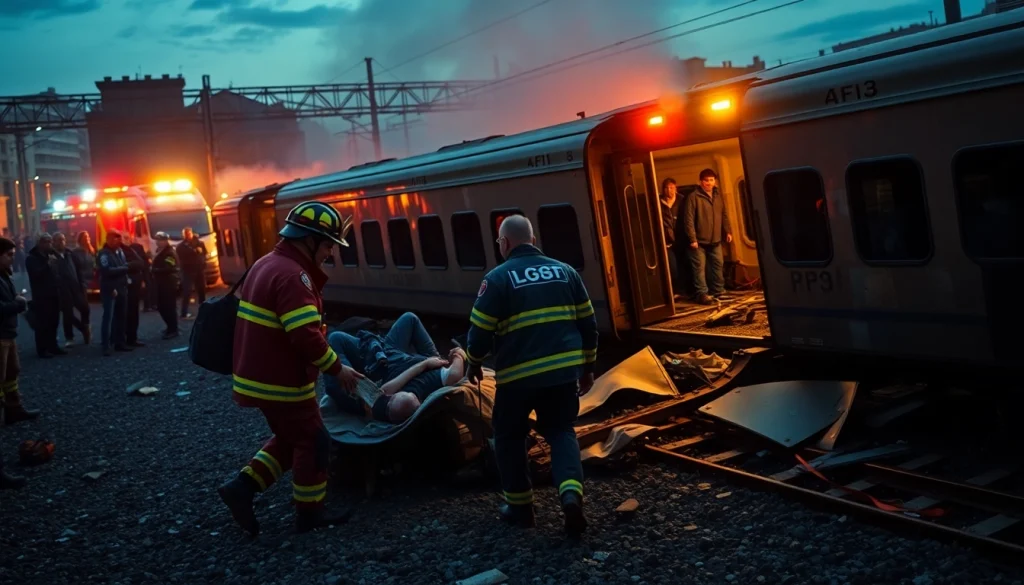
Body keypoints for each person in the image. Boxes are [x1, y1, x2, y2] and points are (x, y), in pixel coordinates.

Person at [218, 201, 362, 536]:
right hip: (281, 381)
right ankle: (310, 516)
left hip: (260, 377)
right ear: (308, 240)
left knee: (290, 438)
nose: (330, 253)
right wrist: (338, 369)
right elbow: (304, 335)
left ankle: (241, 488)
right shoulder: (293, 276)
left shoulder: (267, 263)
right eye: (327, 245)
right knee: (314, 440)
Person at [464, 215, 598, 538]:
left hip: (517, 379)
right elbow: (589, 325)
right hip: (562, 374)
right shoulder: (565, 272)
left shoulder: (496, 279)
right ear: (533, 240)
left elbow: (479, 332)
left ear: (504, 244)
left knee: (509, 437)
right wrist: (588, 368)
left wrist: (473, 363)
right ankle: (570, 496)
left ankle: (522, 510)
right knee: (561, 431)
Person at [323, 312, 467, 423]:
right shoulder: (425, 387)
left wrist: (423, 365)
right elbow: (455, 374)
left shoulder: (388, 396)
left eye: (390, 401)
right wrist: (459, 354)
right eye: (392, 399)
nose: (389, 399)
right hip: (392, 351)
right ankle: (436, 358)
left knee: (335, 338)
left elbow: (382, 391)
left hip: (379, 362)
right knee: (410, 318)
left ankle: (348, 382)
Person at [0, 236, 38, 434]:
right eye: (9, 255)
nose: (13, 259)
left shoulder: (4, 273)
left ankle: (14, 410)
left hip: (8, 332)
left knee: (12, 371)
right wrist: (18, 304)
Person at [683, 168, 733, 305]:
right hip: (699, 241)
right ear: (700, 182)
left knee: (718, 265)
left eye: (711, 180)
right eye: (706, 180)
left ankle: (719, 291)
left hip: (715, 240)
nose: (709, 183)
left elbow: (723, 214)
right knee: (699, 268)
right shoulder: (693, 197)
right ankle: (702, 294)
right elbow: (688, 219)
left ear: (714, 181)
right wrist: (692, 239)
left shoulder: (718, 195)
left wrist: (727, 231)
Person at [25, 233, 65, 358]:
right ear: (40, 243)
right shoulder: (32, 258)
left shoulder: (51, 255)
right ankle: (42, 349)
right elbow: (36, 274)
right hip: (41, 295)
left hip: (54, 292)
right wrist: (47, 265)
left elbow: (59, 266)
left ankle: (53, 346)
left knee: (54, 321)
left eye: (50, 241)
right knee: (43, 323)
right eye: (47, 242)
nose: (49, 244)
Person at [97, 230, 131, 357]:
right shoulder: (103, 254)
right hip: (110, 289)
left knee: (121, 316)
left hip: (122, 287)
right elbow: (106, 271)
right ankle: (105, 345)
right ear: (109, 240)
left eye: (119, 239)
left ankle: (120, 343)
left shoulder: (120, 252)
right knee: (108, 318)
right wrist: (123, 269)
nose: (118, 241)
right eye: (115, 239)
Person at [52, 232, 90, 347]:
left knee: (85, 309)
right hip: (62, 290)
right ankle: (70, 337)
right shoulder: (52, 256)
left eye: (63, 240)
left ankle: (85, 327)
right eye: (58, 240)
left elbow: (79, 270)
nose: (61, 242)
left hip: (75, 287)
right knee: (68, 314)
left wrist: (82, 283)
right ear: (54, 242)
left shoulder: (70, 253)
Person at [150, 232, 180, 339]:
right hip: (161, 283)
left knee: (169, 307)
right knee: (161, 306)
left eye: (160, 240)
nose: (157, 242)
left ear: (165, 241)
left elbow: (170, 267)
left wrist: (155, 270)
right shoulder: (159, 251)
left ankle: (173, 329)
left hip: (168, 283)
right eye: (157, 240)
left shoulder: (169, 252)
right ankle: (170, 327)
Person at [176, 227, 207, 319]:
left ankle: (204, 310)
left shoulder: (200, 243)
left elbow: (204, 253)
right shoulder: (181, 246)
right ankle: (184, 312)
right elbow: (181, 256)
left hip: (199, 270)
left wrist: (202, 259)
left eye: (189, 234)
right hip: (187, 271)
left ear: (192, 233)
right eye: (186, 234)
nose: (188, 236)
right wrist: (193, 251)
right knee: (187, 291)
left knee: (202, 290)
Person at [122, 236, 146, 347]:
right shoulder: (117, 251)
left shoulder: (133, 249)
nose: (127, 240)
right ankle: (124, 339)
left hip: (134, 286)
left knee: (133, 313)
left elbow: (142, 263)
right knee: (125, 314)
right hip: (125, 287)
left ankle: (132, 338)